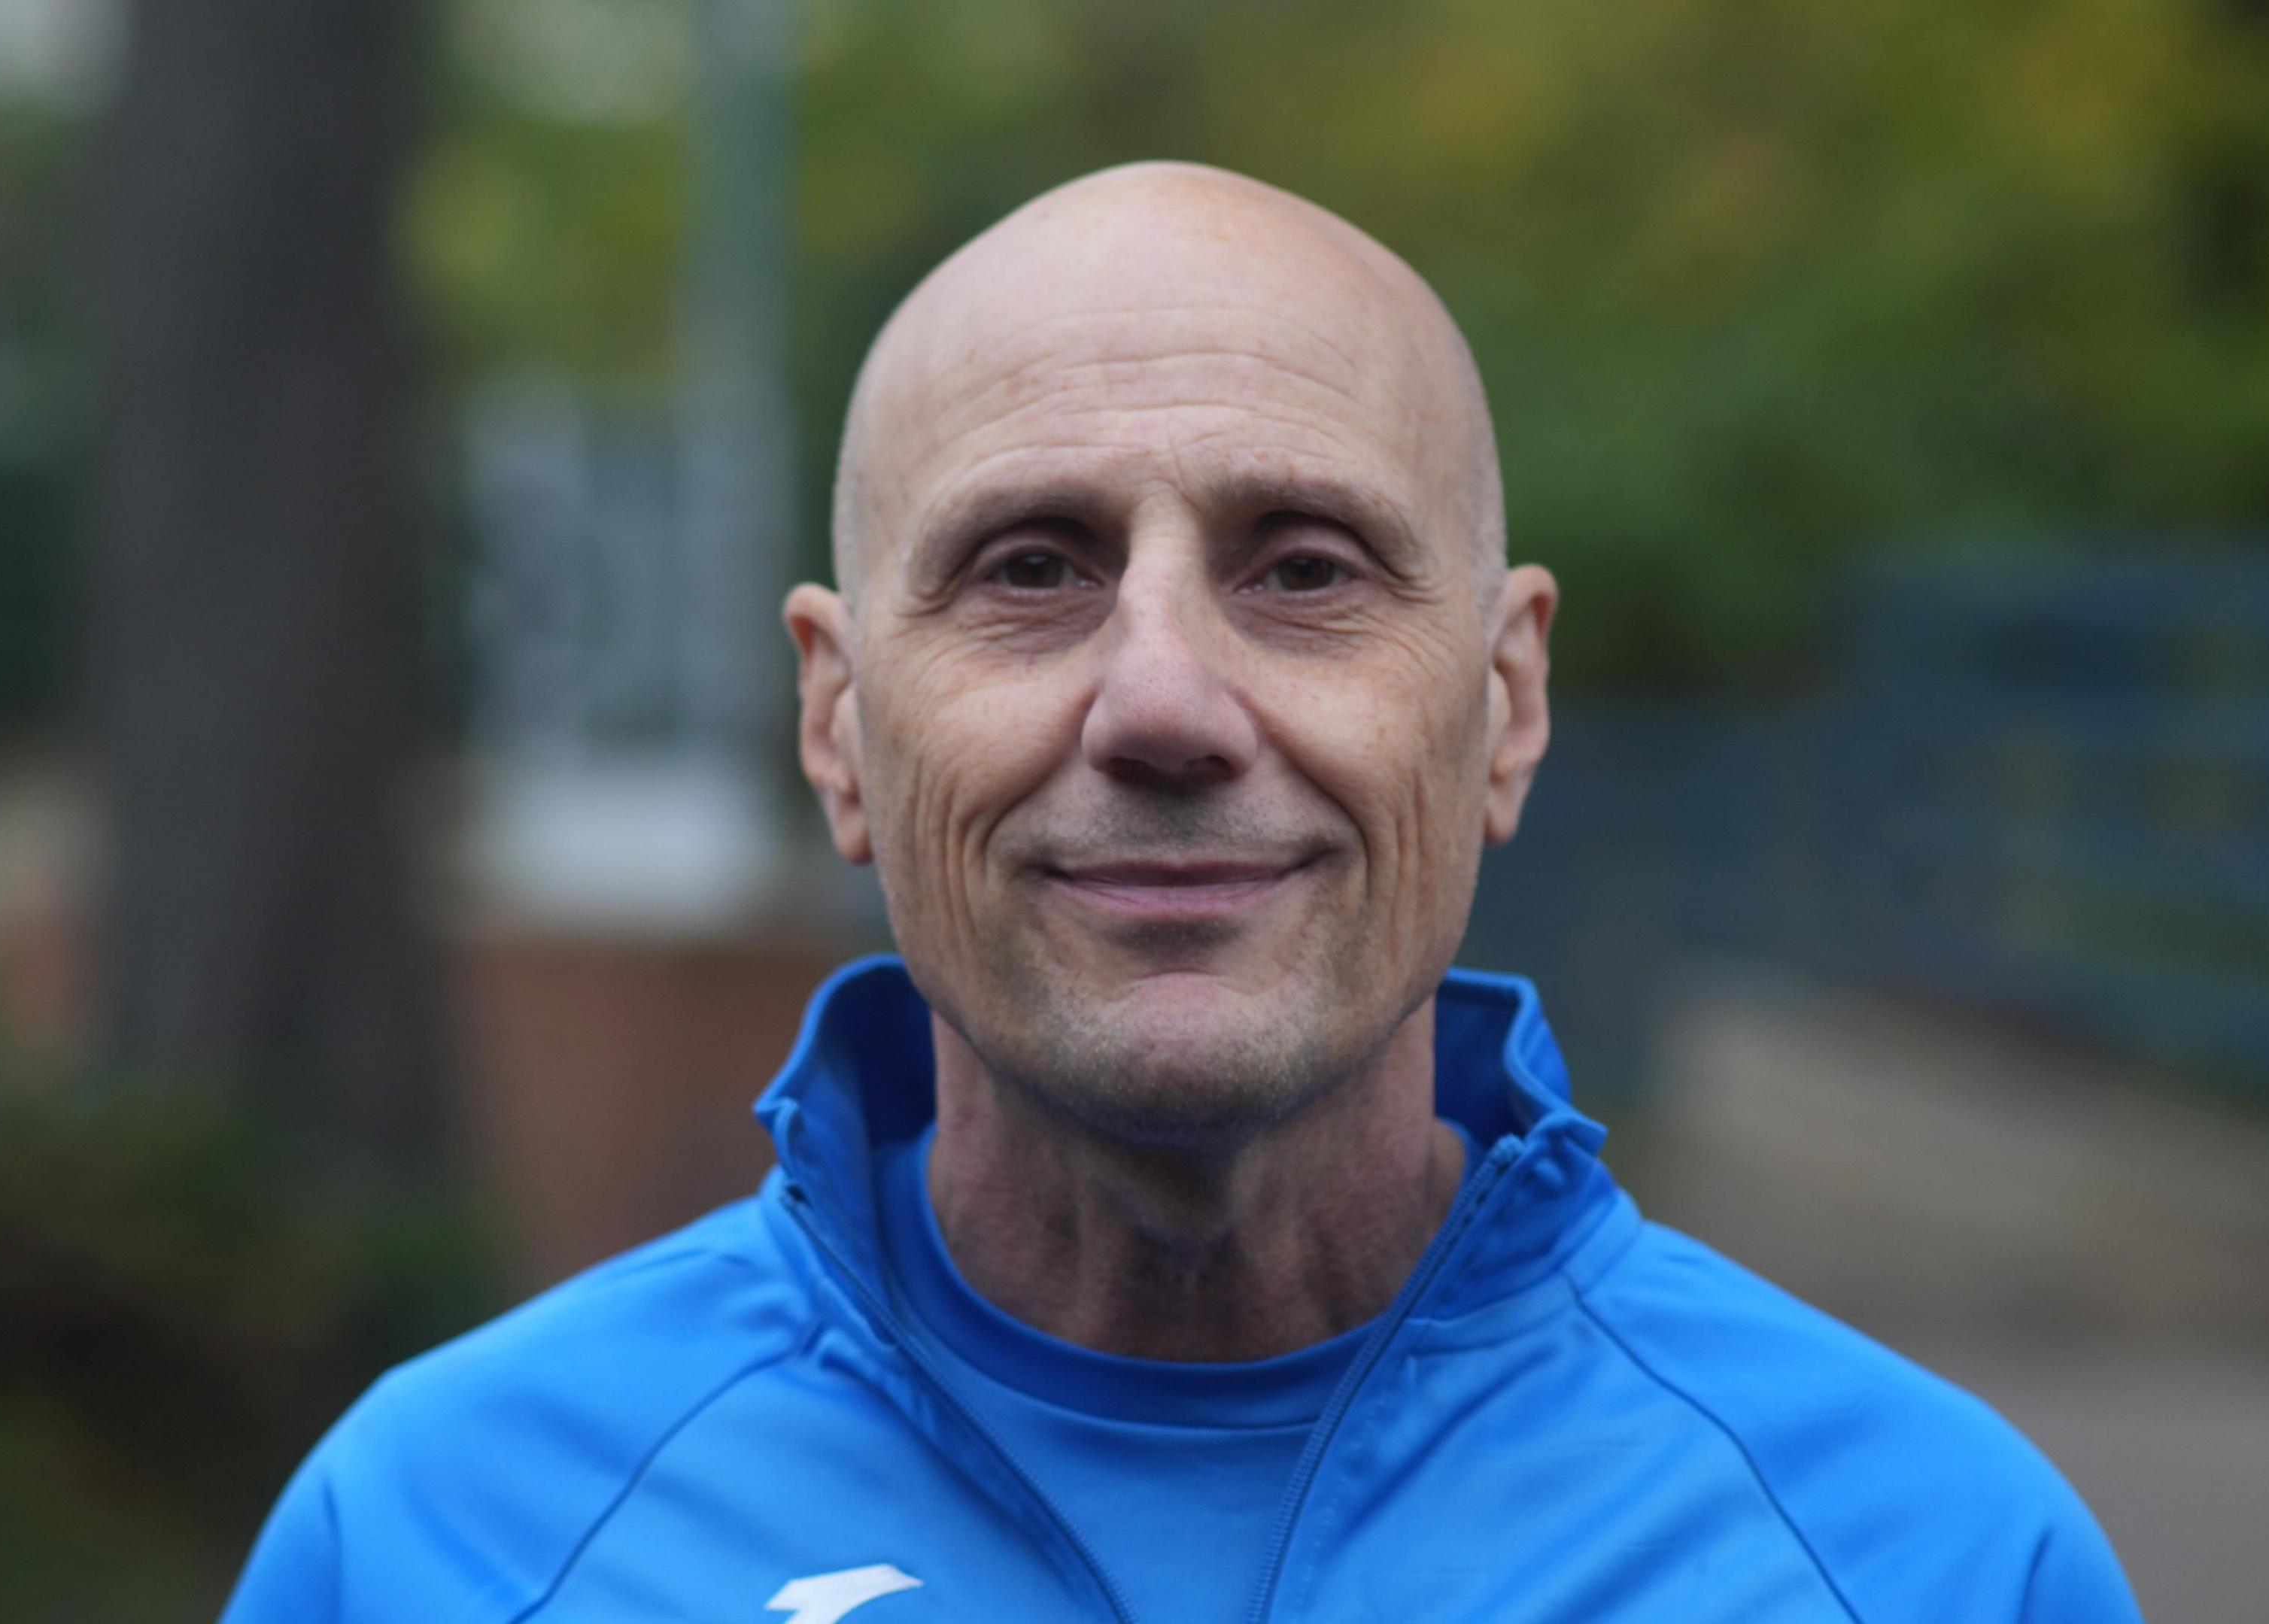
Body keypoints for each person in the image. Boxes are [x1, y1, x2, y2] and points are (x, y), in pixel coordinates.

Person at [223, 162, 2140, 1623]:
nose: (1161, 703)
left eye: (1304, 567)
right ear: (837, 724)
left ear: (1503, 704)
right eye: (1032, 568)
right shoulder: (440, 1541)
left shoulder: (1927, 1560)